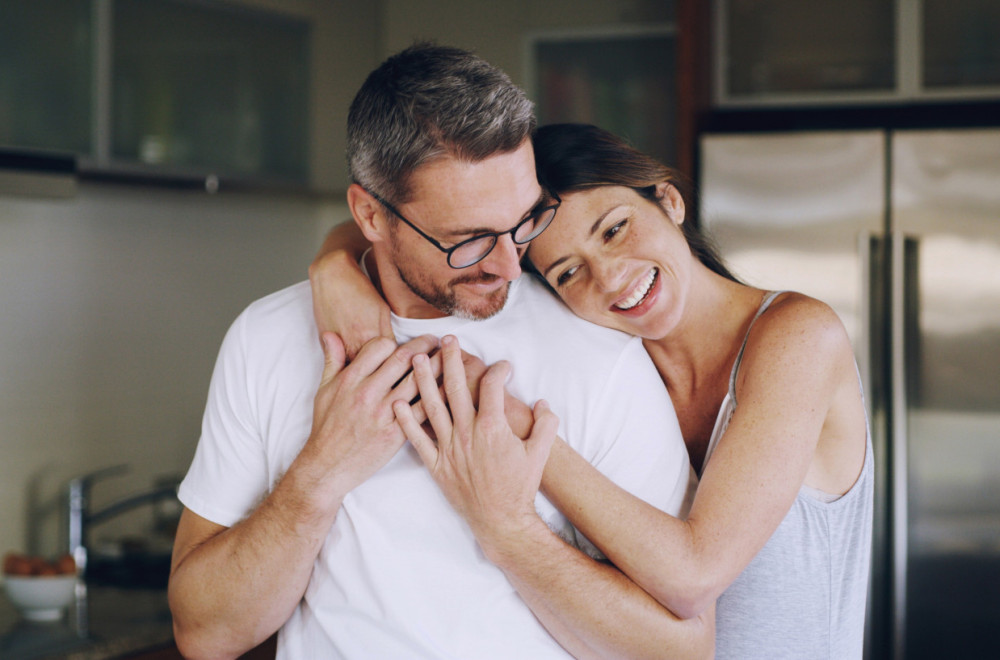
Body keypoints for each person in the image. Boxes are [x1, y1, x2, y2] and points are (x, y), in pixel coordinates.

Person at [168, 46, 712, 659]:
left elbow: (679, 651)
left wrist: (509, 527)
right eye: (470, 241)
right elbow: (204, 634)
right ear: (370, 214)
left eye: (524, 220)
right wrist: (320, 474)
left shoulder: (600, 350)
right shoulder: (267, 336)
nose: (510, 264)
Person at [310, 123, 874, 659]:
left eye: (614, 229)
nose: (609, 277)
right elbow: (380, 233)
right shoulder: (620, 363)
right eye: (567, 273)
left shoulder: (798, 336)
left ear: (669, 201)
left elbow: (693, 575)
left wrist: (511, 424)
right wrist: (336, 264)